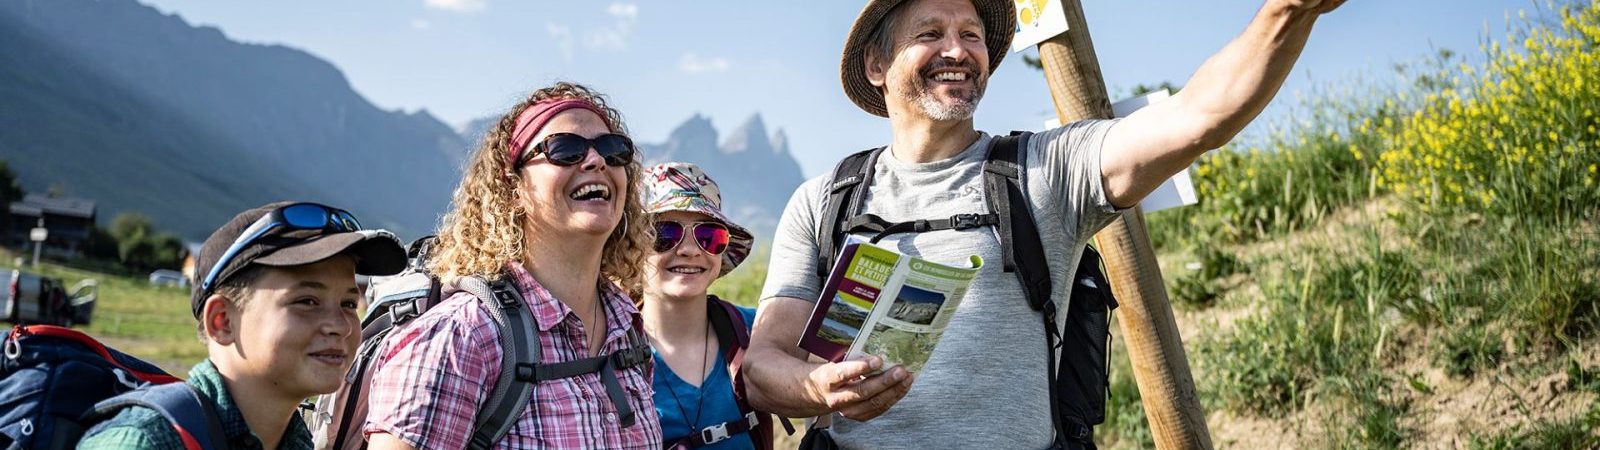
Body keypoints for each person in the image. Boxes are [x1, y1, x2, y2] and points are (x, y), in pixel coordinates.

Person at [744, 0, 1349, 448]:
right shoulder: (825, 200)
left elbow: (1198, 117)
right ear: (877, 65)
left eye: (972, 35)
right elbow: (764, 365)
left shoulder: (1047, 170)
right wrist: (818, 389)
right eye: (930, 33)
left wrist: (1285, 12)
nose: (957, 51)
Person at [363, 81, 662, 449]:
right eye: (565, 149)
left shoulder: (626, 329)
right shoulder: (463, 336)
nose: (596, 160)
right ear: (513, 188)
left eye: (613, 150)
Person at [78, 201, 408, 449]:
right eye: (307, 301)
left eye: (348, 304)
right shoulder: (144, 441)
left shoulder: (294, 441)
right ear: (222, 321)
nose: (341, 326)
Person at [637, 162, 768, 450]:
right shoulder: (610, 349)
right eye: (665, 234)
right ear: (632, 248)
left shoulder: (759, 330)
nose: (690, 250)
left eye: (709, 236)